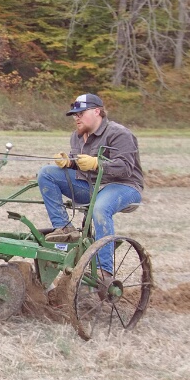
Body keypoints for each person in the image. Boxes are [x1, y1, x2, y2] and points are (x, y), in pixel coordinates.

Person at [36, 93, 144, 278]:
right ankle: (64, 227)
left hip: (123, 186)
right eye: (74, 115)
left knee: (100, 209)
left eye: (81, 113)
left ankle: (104, 270)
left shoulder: (119, 133)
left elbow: (126, 168)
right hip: (91, 186)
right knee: (46, 173)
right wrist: (69, 163)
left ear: (97, 111)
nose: (76, 118)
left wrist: (97, 164)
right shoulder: (77, 137)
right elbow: (80, 163)